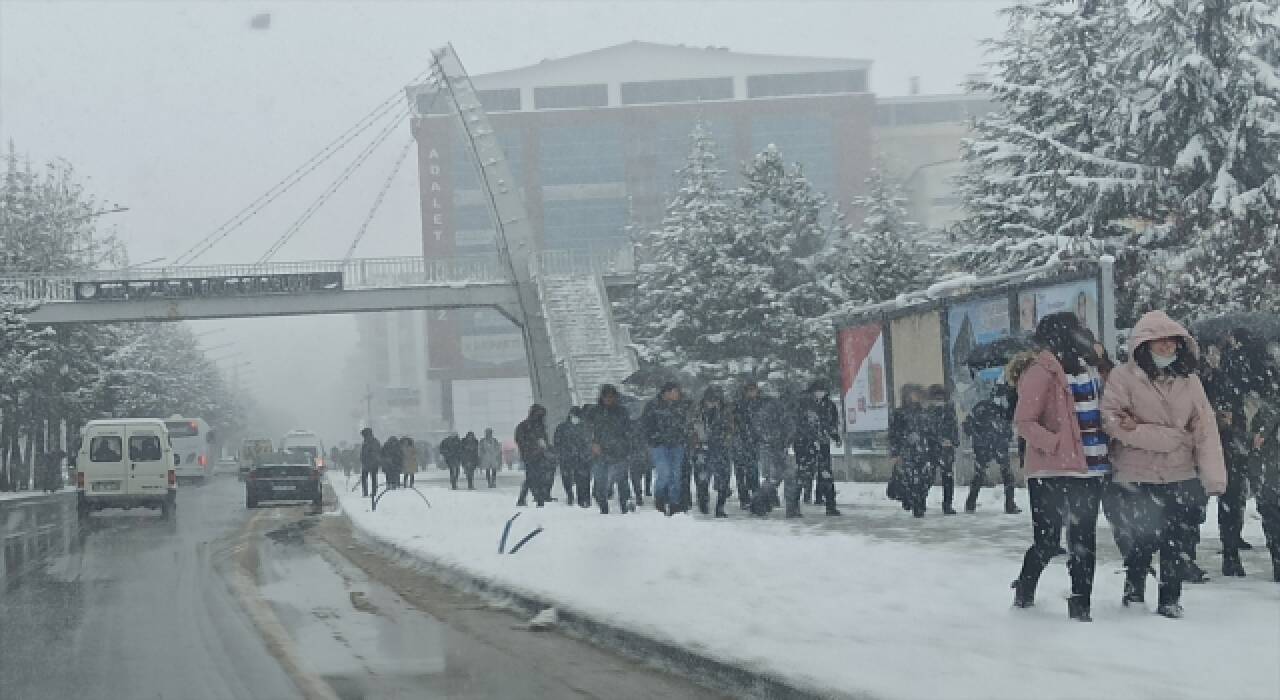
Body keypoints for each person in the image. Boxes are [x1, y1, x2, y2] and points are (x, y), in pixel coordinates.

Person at [1101, 310, 1227, 619]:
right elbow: (1112, 421)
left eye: (1172, 343)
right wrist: (1169, 438)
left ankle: (1170, 598)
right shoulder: (1122, 377)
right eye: (1159, 343)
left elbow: (1205, 429)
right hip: (1137, 475)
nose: (1167, 348)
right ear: (1144, 345)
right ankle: (1134, 592)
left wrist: (1214, 476)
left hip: (1180, 475)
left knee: (1177, 542)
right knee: (1143, 540)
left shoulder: (1189, 380)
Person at [1011, 312, 1110, 622]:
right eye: (1079, 330)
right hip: (1049, 473)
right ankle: (1025, 589)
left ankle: (1081, 604)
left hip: (1090, 468)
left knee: (1084, 540)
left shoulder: (1091, 370)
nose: (1085, 334)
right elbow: (1024, 421)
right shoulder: (1041, 372)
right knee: (1047, 541)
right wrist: (1054, 444)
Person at [962, 384, 1020, 514]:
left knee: (1006, 475)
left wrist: (1007, 436)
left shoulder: (1004, 410)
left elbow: (1008, 426)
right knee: (980, 475)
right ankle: (971, 503)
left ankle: (1010, 504)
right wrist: (978, 436)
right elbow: (967, 424)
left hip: (999, 445)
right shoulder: (983, 407)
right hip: (984, 446)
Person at [642, 381, 694, 517]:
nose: (677, 394)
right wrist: (653, 440)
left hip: (677, 445)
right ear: (667, 392)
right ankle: (659, 500)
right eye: (675, 391)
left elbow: (688, 424)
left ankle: (674, 503)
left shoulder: (683, 405)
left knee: (676, 475)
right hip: (659, 445)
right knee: (664, 473)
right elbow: (645, 426)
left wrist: (684, 437)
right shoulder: (653, 406)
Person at [793, 380, 843, 516]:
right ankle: (793, 506)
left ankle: (830, 505)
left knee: (826, 474)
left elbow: (832, 423)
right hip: (805, 444)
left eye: (823, 390)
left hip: (822, 444)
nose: (820, 393)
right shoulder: (803, 404)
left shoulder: (829, 405)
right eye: (818, 390)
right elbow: (797, 424)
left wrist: (835, 436)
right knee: (802, 474)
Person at [748, 386, 799, 517]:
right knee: (785, 478)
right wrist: (783, 441)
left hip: (773, 447)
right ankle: (790, 509)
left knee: (774, 479)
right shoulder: (781, 410)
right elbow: (790, 428)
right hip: (777, 447)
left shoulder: (769, 409)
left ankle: (759, 505)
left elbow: (759, 428)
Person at [1247, 386, 1280, 582]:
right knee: (1272, 516)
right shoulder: (1270, 407)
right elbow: (1257, 439)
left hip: (1269, 474)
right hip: (1270, 475)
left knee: (1272, 518)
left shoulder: (1269, 406)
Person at [586, 384, 635, 514]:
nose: (609, 399)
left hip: (619, 451)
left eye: (611, 397)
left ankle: (625, 507)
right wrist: (592, 443)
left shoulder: (622, 412)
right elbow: (587, 430)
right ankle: (603, 508)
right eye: (606, 397)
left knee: (622, 480)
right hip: (599, 451)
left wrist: (626, 446)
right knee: (600, 481)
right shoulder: (594, 412)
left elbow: (628, 430)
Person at [693, 386, 735, 517]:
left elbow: (731, 429)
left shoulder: (725, 412)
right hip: (702, 448)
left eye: (715, 400)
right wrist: (697, 443)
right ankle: (703, 502)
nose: (712, 403)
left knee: (723, 479)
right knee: (702, 479)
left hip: (721, 449)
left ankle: (720, 507)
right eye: (710, 400)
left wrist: (725, 440)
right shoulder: (698, 411)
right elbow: (692, 428)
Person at [888, 384, 928, 514]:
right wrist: (895, 453)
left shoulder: (923, 412)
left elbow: (929, 431)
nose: (916, 397)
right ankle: (914, 503)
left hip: (922, 451)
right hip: (906, 452)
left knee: (923, 478)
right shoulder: (899, 413)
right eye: (913, 394)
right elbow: (893, 434)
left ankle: (918, 502)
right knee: (911, 478)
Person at [924, 384, 959, 515]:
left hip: (946, 450)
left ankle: (947, 505)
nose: (939, 401)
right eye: (936, 398)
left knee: (948, 478)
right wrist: (939, 440)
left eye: (941, 398)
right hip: (933, 449)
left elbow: (954, 427)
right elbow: (927, 430)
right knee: (929, 477)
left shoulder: (949, 410)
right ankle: (921, 501)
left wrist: (953, 441)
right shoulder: (928, 412)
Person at [733, 380, 764, 510]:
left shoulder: (760, 404)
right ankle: (744, 498)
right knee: (740, 472)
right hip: (740, 441)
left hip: (753, 442)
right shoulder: (738, 405)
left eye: (754, 390)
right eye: (749, 390)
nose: (752, 393)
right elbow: (733, 422)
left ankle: (755, 497)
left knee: (753, 472)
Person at [515, 405, 553, 507]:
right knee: (532, 477)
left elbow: (544, 439)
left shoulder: (538, 426)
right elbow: (520, 440)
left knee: (537, 477)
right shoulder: (525, 426)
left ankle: (535, 498)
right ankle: (533, 498)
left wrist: (545, 447)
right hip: (530, 455)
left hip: (539, 455)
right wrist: (532, 447)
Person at [554, 407, 591, 507]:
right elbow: (557, 442)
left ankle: (582, 498)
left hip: (580, 457)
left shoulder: (584, 427)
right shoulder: (562, 427)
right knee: (567, 478)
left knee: (581, 479)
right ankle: (570, 495)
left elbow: (588, 442)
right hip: (567, 457)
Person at [359, 428, 381, 498]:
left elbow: (375, 453)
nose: (363, 437)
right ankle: (366, 492)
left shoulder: (374, 442)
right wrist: (362, 458)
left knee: (372, 478)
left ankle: (373, 492)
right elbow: (363, 452)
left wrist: (368, 458)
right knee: (366, 478)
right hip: (366, 463)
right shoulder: (367, 441)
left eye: (364, 435)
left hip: (372, 463)